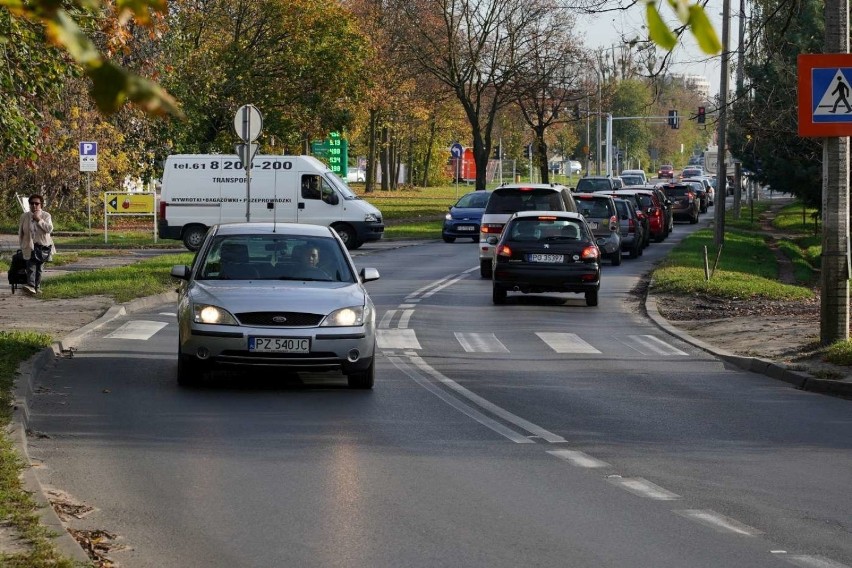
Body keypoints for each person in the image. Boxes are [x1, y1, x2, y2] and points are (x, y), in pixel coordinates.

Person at [18, 193, 55, 295]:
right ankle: (30, 285)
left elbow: (49, 229)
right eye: (31, 203)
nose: (34, 205)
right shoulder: (24, 216)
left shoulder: (46, 215)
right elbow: (21, 232)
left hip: (43, 246)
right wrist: (21, 244)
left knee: (39, 268)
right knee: (30, 266)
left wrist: (39, 219)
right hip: (29, 245)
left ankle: (36, 288)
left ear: (41, 205)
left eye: (36, 203)